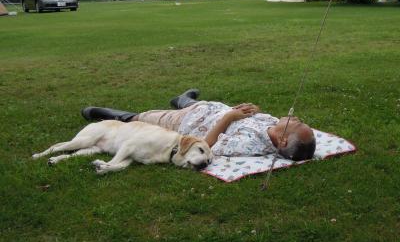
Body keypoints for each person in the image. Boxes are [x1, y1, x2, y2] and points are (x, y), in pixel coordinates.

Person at [81, 89, 316, 161]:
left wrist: (228, 118)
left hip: (186, 122)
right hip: (208, 109)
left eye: (297, 124)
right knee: (194, 103)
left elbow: (209, 145)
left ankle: (99, 112)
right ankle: (183, 98)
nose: (296, 118)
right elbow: (247, 117)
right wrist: (250, 110)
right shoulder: (272, 123)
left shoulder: (250, 145)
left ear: (283, 140)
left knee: (141, 118)